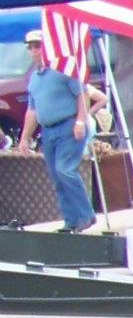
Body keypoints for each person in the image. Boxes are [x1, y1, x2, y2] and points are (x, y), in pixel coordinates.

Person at [13, 30, 96, 233]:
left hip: (68, 126)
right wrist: (24, 139)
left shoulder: (63, 69)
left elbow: (82, 94)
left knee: (65, 170)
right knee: (57, 177)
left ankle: (86, 215)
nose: (34, 50)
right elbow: (32, 111)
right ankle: (71, 221)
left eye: (37, 45)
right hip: (48, 131)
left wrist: (80, 121)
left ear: (47, 46)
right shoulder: (34, 78)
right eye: (30, 47)